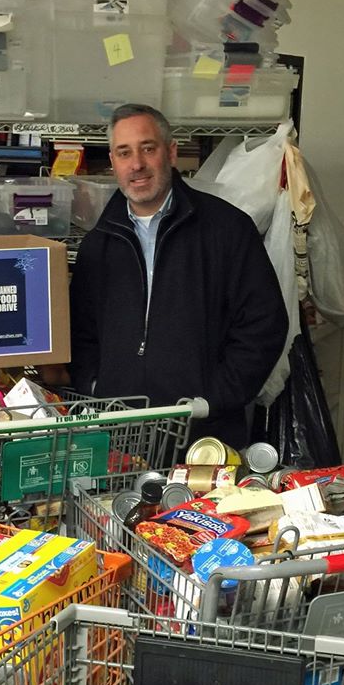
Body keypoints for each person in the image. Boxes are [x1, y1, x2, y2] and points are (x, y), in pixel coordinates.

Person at [68, 103, 288, 449]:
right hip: (118, 436)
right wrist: (94, 385)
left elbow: (264, 324)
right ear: (113, 162)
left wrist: (215, 398)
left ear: (170, 152)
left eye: (147, 148)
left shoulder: (228, 230)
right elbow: (81, 331)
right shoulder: (99, 244)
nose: (136, 164)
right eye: (124, 153)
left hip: (204, 435)